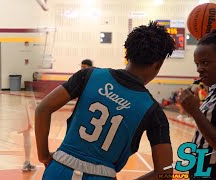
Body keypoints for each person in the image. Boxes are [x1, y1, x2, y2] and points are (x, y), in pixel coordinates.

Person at [35, 21, 175, 180]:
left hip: (60, 168)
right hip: (102, 175)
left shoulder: (88, 75)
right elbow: (164, 174)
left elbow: (43, 108)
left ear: (127, 53)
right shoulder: (154, 111)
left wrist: (44, 156)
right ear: (158, 64)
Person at [178, 30, 216, 179]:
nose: (199, 69)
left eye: (205, 62)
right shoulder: (212, 89)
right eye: (197, 64)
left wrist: (195, 112)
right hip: (201, 169)